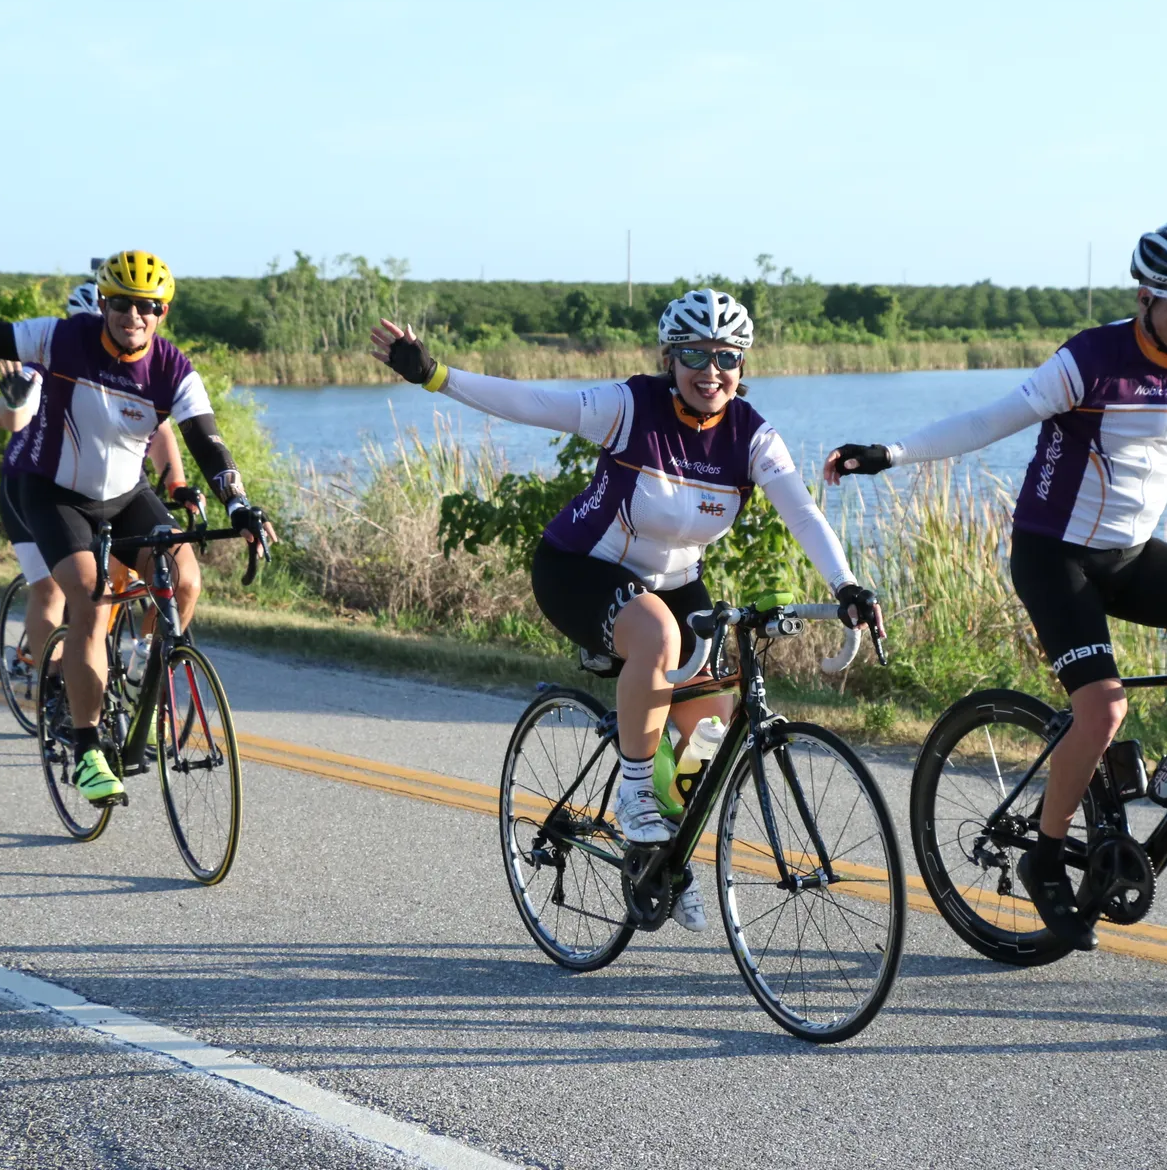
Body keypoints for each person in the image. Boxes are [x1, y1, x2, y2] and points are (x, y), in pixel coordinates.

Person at [824, 222, 1167, 951]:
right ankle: (1045, 858)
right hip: (1053, 555)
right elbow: (988, 420)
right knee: (1103, 711)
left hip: (1126, 555)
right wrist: (889, 454)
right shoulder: (1091, 360)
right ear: (1147, 296)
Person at [371, 289, 883, 931]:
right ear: (670, 358)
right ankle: (635, 792)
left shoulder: (752, 438)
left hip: (677, 581)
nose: (710, 370)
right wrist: (435, 376)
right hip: (579, 568)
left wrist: (847, 585)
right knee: (657, 636)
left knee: (708, 737)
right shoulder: (629, 408)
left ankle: (664, 857)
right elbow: (532, 403)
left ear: (741, 365)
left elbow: (803, 513)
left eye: (725, 355)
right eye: (694, 353)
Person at [0, 215, 275, 804]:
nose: (133, 316)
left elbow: (208, 443)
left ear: (162, 313)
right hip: (52, 493)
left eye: (147, 307)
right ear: (103, 304)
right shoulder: (60, 338)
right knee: (90, 597)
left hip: (126, 495)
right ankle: (87, 750)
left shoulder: (173, 369)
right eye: (120, 304)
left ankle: (148, 680)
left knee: (185, 577)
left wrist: (237, 504)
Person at [0, 283, 200, 703]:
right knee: (50, 587)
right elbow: (10, 418)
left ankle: (138, 667)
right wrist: (13, 403)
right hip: (28, 486)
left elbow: (160, 431)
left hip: (108, 495)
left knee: (131, 578)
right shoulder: (48, 362)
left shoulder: (137, 373)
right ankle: (51, 681)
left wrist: (176, 483)